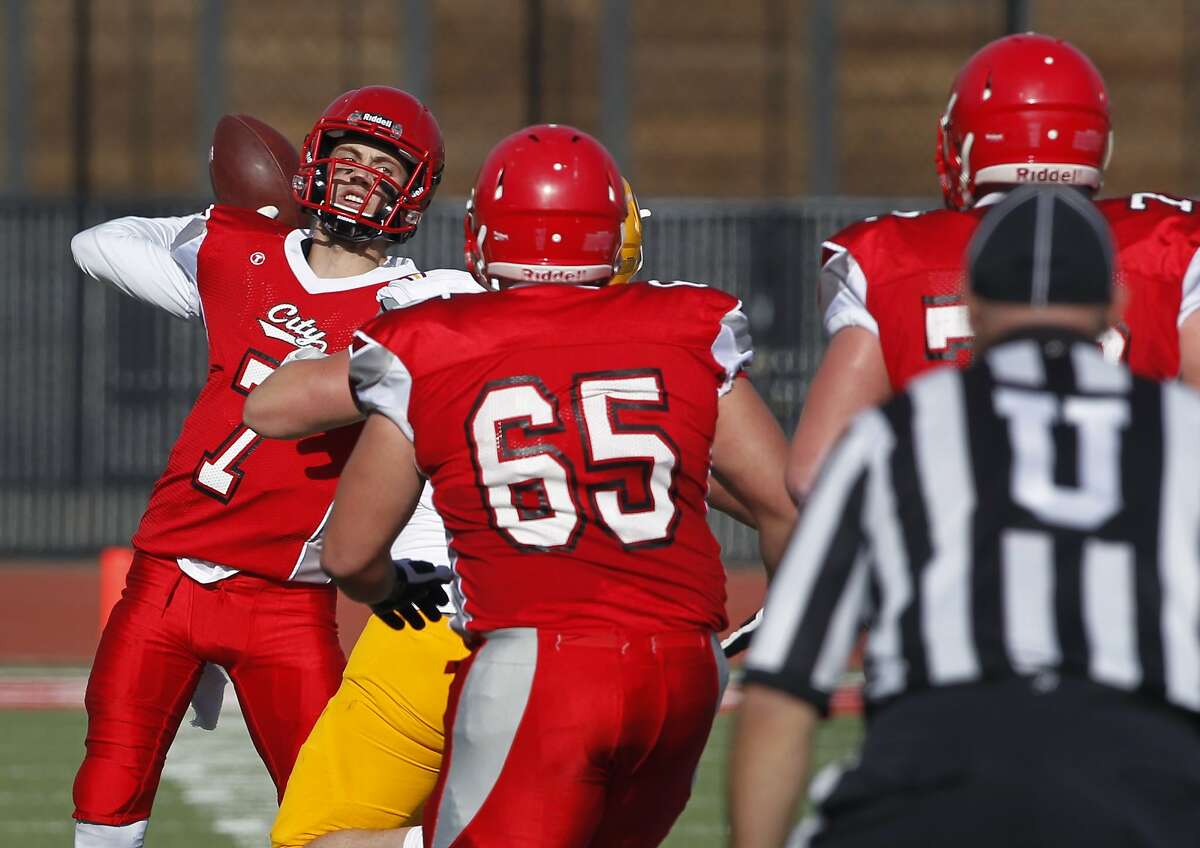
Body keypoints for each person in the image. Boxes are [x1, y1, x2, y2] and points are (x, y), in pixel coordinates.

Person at [307, 123, 796, 847]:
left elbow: (350, 553)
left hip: (538, 664)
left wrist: (388, 588)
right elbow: (787, 501)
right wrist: (791, 627)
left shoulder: (433, 341)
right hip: (686, 666)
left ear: (484, 232)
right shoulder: (684, 324)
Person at [731, 186, 1200, 848]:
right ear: (1114, 307)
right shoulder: (1183, 432)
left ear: (971, 307)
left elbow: (782, 686)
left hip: (934, 770)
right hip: (1141, 780)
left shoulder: (892, 435)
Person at [70, 86, 457, 848]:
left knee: (336, 812)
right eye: (350, 155)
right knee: (108, 794)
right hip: (168, 574)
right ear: (313, 162)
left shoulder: (418, 302)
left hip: (286, 598)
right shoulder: (237, 253)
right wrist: (211, 229)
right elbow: (95, 245)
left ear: (413, 191)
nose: (361, 174)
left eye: (385, 165)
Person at [787, 32, 1200, 504]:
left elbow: (813, 472)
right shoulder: (1166, 244)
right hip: (1123, 534)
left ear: (966, 143)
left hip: (950, 536)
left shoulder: (892, 255)